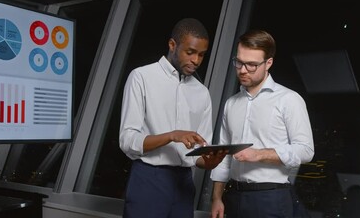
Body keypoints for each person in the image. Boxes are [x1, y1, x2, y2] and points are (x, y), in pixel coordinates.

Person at [119, 18, 226, 218]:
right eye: (190, 52)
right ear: (172, 45)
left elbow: (198, 153)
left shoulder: (202, 92)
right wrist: (171, 136)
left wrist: (209, 162)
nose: (196, 60)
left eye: (201, 55)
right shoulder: (141, 77)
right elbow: (127, 140)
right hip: (148, 179)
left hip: (184, 184)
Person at [210, 30, 315, 218]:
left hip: (271, 199)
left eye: (251, 65)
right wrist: (217, 198)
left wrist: (259, 155)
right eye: (239, 62)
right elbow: (224, 155)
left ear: (269, 63)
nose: (242, 70)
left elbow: (306, 150)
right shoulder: (231, 103)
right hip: (232, 197)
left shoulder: (289, 99)